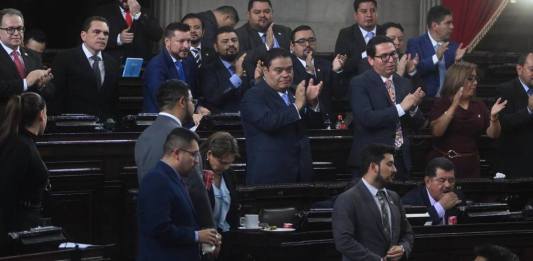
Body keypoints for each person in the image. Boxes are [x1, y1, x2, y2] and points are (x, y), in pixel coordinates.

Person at [135, 79, 214, 229]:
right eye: (192, 100)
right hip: (182, 226)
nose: (194, 105)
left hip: (151, 223)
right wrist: (209, 230)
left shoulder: (143, 136)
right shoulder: (182, 138)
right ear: (182, 101)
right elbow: (195, 188)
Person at [240, 48, 323, 185]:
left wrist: (312, 103)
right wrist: (297, 106)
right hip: (270, 175)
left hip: (300, 174)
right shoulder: (253, 95)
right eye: (279, 70)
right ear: (265, 71)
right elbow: (268, 122)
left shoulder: (294, 93)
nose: (286, 75)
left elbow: (314, 127)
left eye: (289, 70)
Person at [137, 127, 221, 261]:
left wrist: (206, 239)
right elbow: (159, 229)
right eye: (193, 154)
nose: (197, 161)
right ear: (177, 153)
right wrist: (197, 236)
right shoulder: (156, 180)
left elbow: (183, 222)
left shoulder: (174, 178)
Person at [348, 36, 425, 180]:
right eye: (384, 56)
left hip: (401, 159)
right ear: (371, 60)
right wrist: (401, 108)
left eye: (393, 54)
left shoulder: (404, 83)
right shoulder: (359, 83)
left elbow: (419, 124)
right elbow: (367, 119)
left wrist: (413, 107)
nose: (391, 60)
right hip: (372, 161)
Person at [332, 143, 413, 261]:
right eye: (390, 164)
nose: (395, 169)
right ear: (374, 167)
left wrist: (403, 248)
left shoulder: (394, 197)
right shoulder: (347, 199)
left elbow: (407, 233)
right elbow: (343, 242)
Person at [427, 62, 507, 178]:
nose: (475, 83)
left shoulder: (478, 105)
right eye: (470, 79)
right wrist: (454, 106)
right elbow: (437, 132)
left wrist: (494, 118)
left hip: (471, 165)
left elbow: (493, 134)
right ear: (457, 80)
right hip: (444, 166)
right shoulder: (442, 103)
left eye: (475, 79)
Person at [0, 92, 49, 254]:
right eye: (47, 113)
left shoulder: (24, 142)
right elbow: (6, 190)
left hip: (26, 225)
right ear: (41, 115)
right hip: (19, 228)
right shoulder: (20, 146)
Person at [51, 16, 120, 120]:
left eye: (106, 33)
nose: (102, 36)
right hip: (72, 125)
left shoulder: (112, 63)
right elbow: (56, 97)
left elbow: (113, 100)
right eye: (97, 32)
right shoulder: (65, 59)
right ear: (83, 35)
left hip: (104, 128)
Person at [290, 25, 346, 124]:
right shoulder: (288, 67)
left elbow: (339, 94)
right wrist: (309, 72)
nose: (307, 44)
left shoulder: (326, 64)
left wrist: (336, 71)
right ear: (292, 46)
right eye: (302, 41)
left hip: (327, 121)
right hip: (302, 121)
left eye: (311, 40)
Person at [406, 5, 467, 97]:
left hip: (448, 100)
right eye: (448, 23)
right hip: (425, 101)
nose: (452, 26)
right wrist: (436, 57)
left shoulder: (455, 47)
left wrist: (458, 62)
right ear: (435, 26)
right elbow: (415, 70)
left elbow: (459, 79)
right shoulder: (415, 43)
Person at [143, 22, 203, 114]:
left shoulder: (189, 60)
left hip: (186, 117)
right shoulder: (156, 66)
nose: (186, 46)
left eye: (188, 41)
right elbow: (163, 102)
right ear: (167, 42)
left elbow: (195, 92)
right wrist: (191, 114)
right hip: (161, 120)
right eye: (181, 41)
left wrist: (199, 108)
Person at [0, 8, 53, 100]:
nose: (16, 33)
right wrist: (26, 82)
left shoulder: (34, 56)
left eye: (20, 28)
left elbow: (51, 92)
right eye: (10, 29)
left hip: (32, 113)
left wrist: (41, 85)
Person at [334, 0, 382, 97]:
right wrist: (365, 54)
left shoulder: (385, 32)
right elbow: (342, 66)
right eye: (364, 11)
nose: (369, 15)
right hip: (356, 90)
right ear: (356, 15)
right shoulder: (346, 34)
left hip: (383, 88)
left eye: (373, 10)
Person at [497, 53, 533, 177]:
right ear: (519, 69)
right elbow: (503, 124)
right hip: (517, 162)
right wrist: (528, 110)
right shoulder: (505, 90)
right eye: (532, 69)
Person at [93, 0, 163, 62]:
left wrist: (139, 14)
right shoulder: (104, 11)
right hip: (114, 65)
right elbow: (94, 38)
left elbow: (157, 35)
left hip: (141, 65)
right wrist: (119, 39)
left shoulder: (145, 12)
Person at [401, 157, 463, 225]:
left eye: (451, 180)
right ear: (428, 182)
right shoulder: (410, 201)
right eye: (441, 180)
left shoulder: (457, 197)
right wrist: (441, 206)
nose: (447, 185)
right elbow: (416, 225)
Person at [201, 27, 249, 113]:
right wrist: (237, 77)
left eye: (234, 40)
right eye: (225, 41)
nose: (231, 44)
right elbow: (213, 98)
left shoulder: (248, 65)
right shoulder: (207, 70)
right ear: (216, 47)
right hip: (223, 122)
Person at [200, 131, 240, 232]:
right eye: (222, 162)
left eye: (229, 163)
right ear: (209, 154)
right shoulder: (198, 174)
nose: (226, 167)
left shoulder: (229, 174)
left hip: (227, 234)